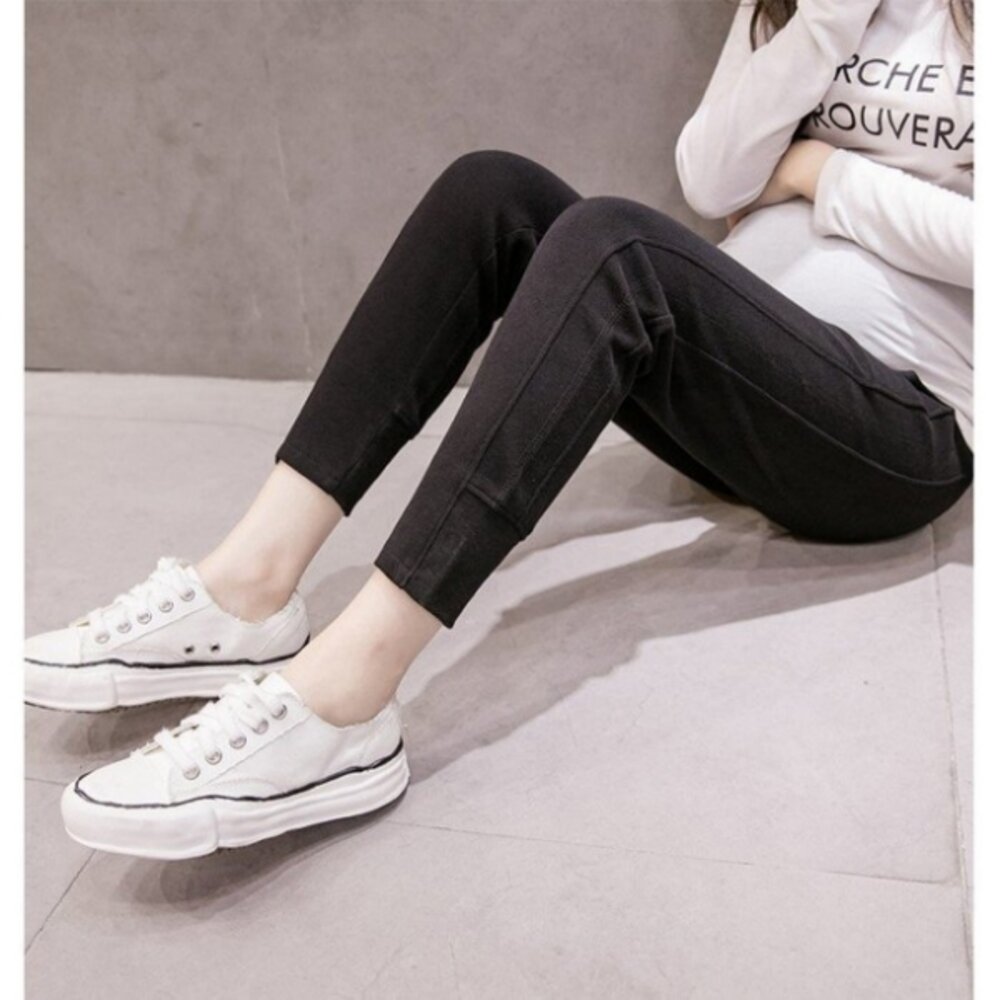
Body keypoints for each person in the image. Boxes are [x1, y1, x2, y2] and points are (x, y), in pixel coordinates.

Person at [27, 0, 973, 860]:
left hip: (896, 435)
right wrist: (824, 23)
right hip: (739, 390)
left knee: (617, 244)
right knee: (494, 192)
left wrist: (819, 172)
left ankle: (346, 700)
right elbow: (714, 176)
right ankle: (249, 585)